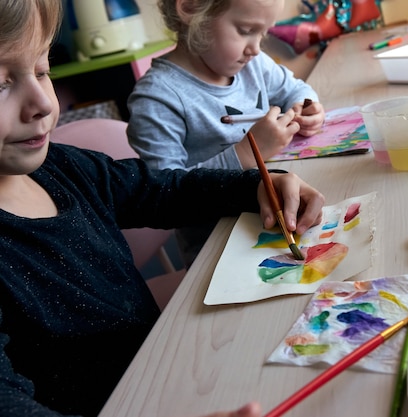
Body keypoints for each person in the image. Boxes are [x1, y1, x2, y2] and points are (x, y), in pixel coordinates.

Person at [0, 1, 325, 416]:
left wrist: (255, 185)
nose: (43, 104)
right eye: (0, 83)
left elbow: (160, 191)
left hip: (167, 364)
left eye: (43, 70)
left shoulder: (61, 167)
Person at [126, 0, 327, 266]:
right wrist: (246, 151)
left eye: (263, 33)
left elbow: (296, 90)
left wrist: (307, 108)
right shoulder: (157, 99)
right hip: (219, 252)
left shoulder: (253, 65)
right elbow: (164, 192)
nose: (256, 48)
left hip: (279, 221)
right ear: (191, 8)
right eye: (246, 30)